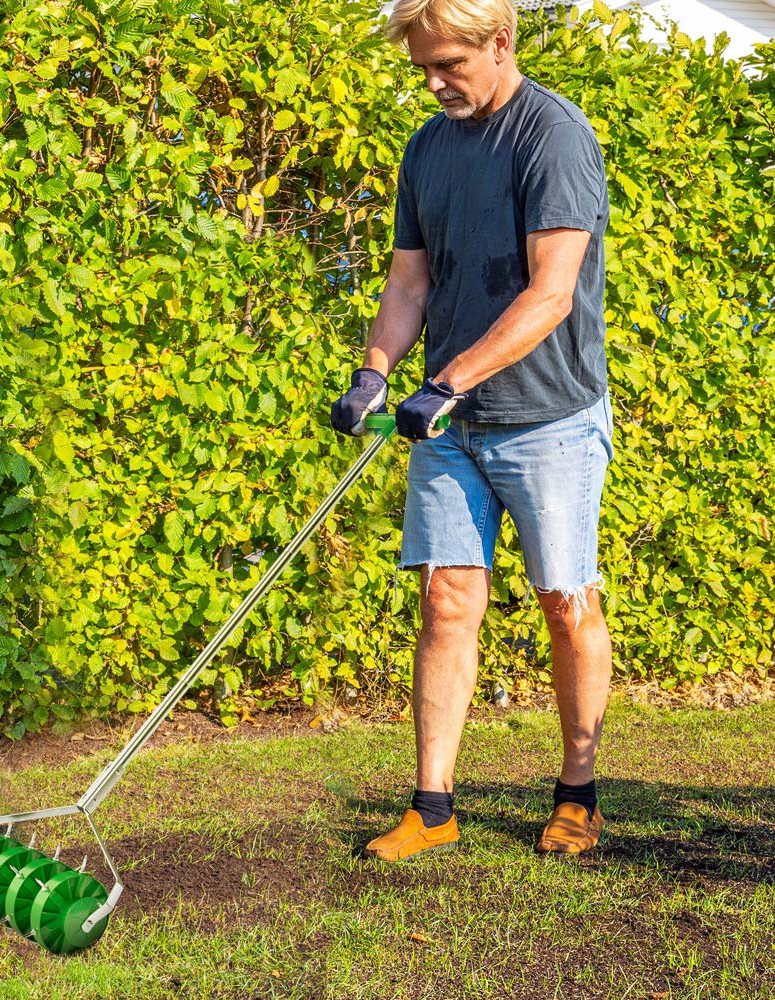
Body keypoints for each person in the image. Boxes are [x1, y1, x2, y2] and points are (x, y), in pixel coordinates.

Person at [330, 0, 614, 860]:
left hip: (549, 418)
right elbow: (408, 283)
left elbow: (550, 294)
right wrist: (375, 371)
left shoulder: (553, 136)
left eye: (448, 64)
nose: (434, 83)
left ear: (500, 42)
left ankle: (578, 795)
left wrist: (447, 380)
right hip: (450, 421)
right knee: (445, 598)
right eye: (422, 67)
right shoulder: (428, 148)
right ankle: (433, 807)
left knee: (565, 602)